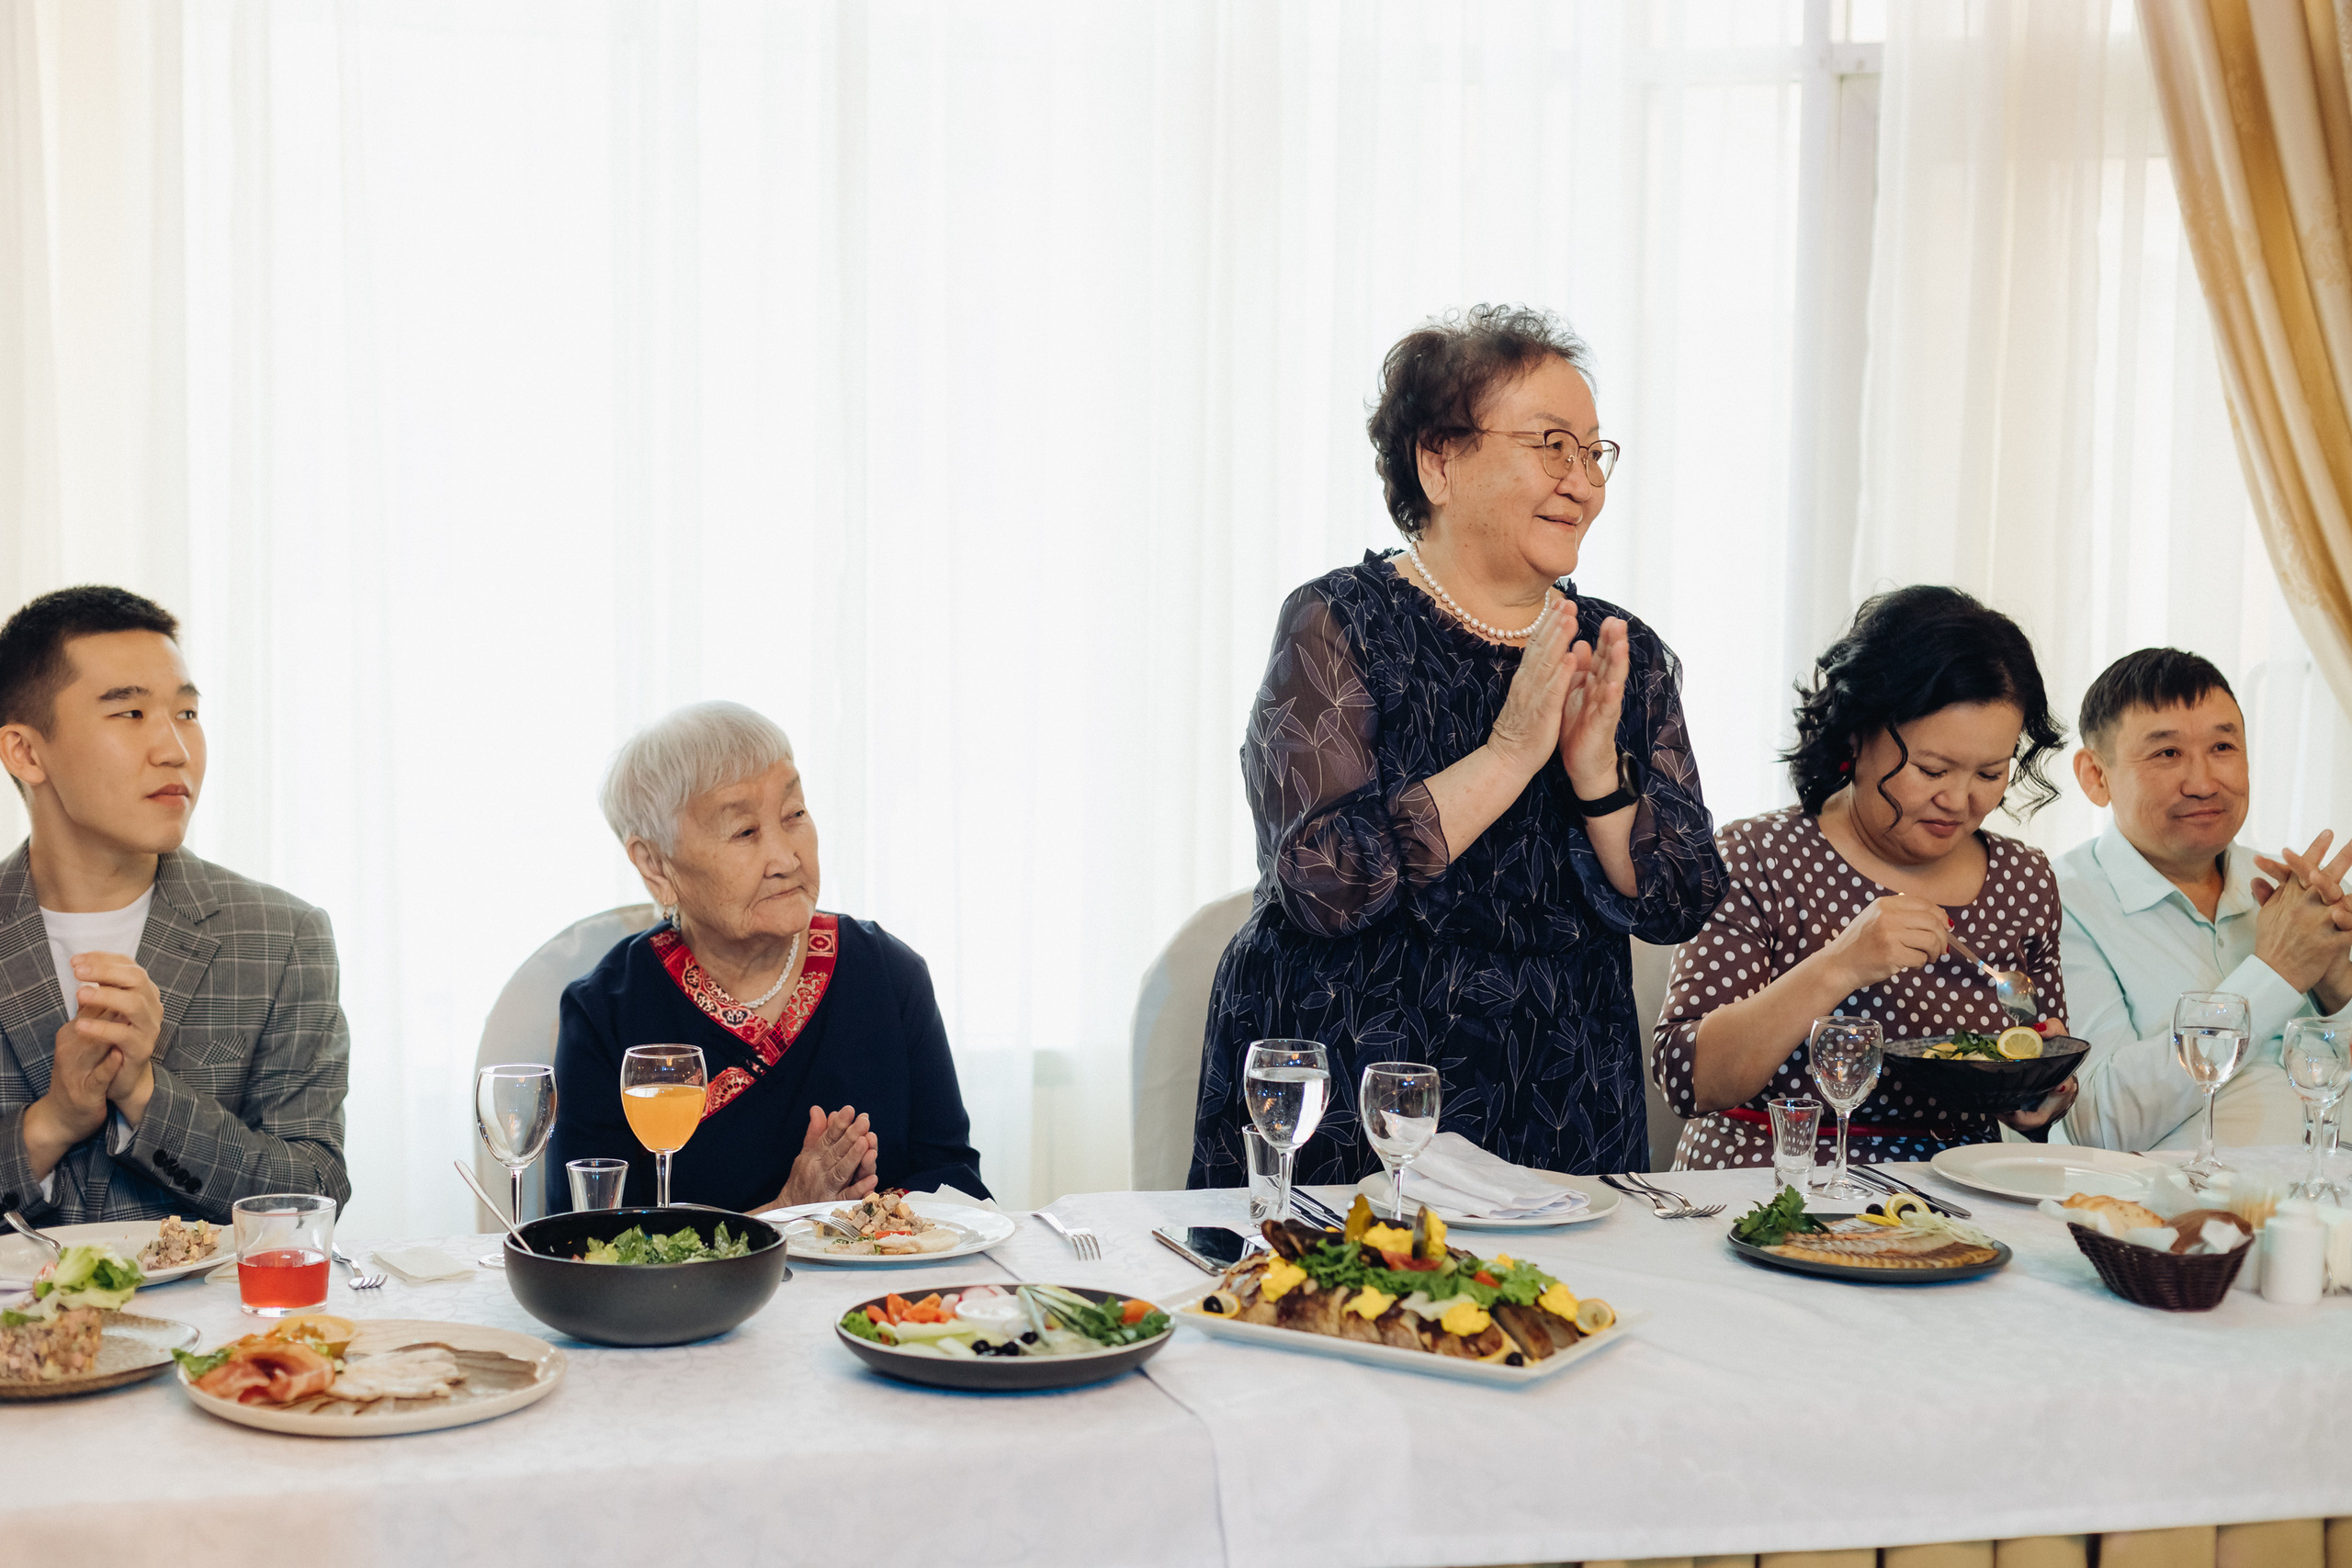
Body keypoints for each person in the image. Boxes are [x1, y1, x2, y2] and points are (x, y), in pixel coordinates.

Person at [1187, 305, 1727, 1189]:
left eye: (1594, 453)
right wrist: (1513, 749)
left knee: (1568, 1321)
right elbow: (1325, 883)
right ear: (1439, 460)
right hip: (1358, 1081)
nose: (1583, 480)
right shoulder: (1338, 622)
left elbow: (1679, 898)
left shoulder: (1623, 649)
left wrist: (1597, 778)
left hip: (1562, 1080)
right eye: (1550, 443)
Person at [1654, 585, 2077, 1169]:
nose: (1958, 799)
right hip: (1764, 1185)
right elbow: (1689, 1079)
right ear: (1856, 733)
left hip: (1951, 1198)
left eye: (1990, 771)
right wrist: (1842, 963)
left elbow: (2036, 1053)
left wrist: (2036, 1098)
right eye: (1932, 768)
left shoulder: (2024, 880)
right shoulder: (1758, 855)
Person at [545, 701, 986, 1213]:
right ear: (656, 864)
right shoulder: (605, 1015)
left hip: (876, 1295)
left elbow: (957, 1187)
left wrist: (868, 1218)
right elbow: (584, 1242)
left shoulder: (888, 975)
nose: (786, 858)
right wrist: (787, 1215)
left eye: (794, 815)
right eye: (745, 832)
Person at [0, 586, 350, 1224]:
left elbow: (315, 1193)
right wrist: (49, 1123)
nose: (176, 750)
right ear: (26, 751)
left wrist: (145, 1092)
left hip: (224, 1327)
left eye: (186, 713)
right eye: (130, 714)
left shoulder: (282, 937)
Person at [2055, 649, 2350, 1151]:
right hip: (2169, 1215)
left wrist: (2338, 991)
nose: (2204, 783)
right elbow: (2096, 1126)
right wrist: (2275, 974)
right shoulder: (2060, 902)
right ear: (2095, 776)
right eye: (2167, 753)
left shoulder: (2288, 897)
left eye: (2222, 747)